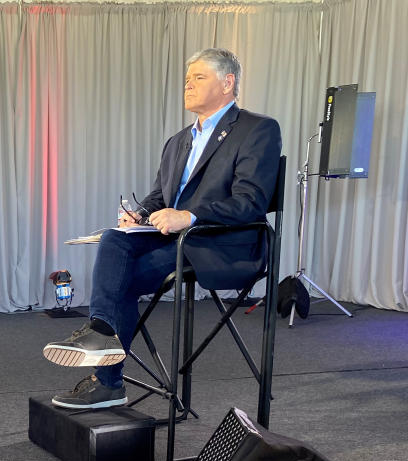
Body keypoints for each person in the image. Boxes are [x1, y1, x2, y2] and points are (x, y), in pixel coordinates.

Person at [43, 48, 281, 409]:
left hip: (219, 242)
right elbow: (160, 196)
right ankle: (103, 338)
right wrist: (139, 215)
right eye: (187, 79)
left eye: (198, 77)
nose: (188, 85)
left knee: (117, 278)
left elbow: (251, 200)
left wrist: (190, 216)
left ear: (227, 82)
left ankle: (106, 376)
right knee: (113, 239)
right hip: (175, 239)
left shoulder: (257, 129)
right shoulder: (178, 141)